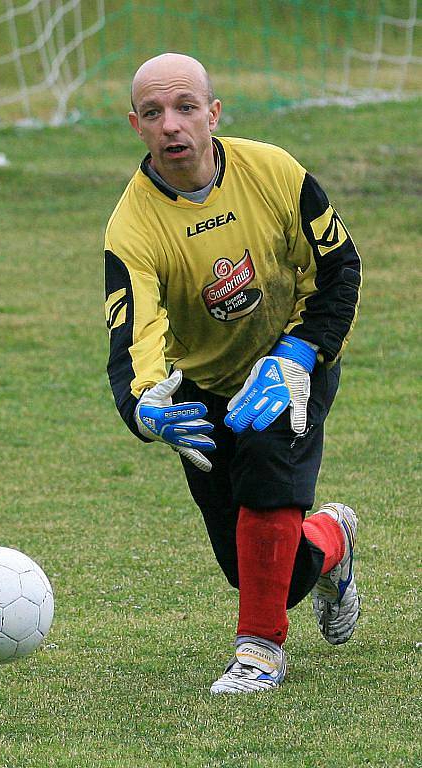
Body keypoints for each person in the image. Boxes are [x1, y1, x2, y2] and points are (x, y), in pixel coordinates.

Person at [104, 53, 361, 694]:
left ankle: (258, 654)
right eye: (155, 113)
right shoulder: (130, 227)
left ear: (213, 114)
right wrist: (145, 405)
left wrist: (300, 355)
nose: (172, 125)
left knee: (269, 493)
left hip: (291, 357)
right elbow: (132, 335)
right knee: (258, 569)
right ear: (135, 124)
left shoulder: (274, 171)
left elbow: (339, 271)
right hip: (207, 386)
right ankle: (330, 540)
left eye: (187, 107)